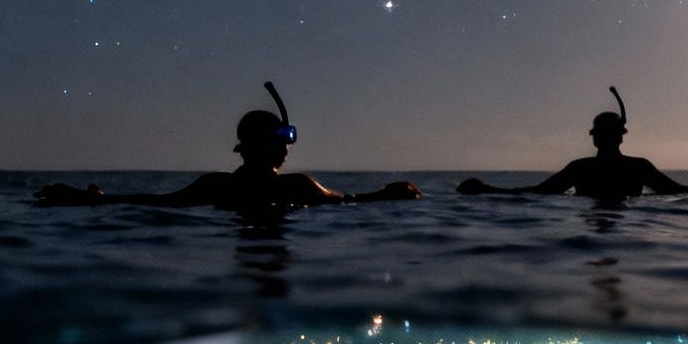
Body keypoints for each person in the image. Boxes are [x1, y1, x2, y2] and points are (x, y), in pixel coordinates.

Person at [34, 83, 420, 211]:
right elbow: (349, 201)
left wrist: (92, 199)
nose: (288, 147)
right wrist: (388, 194)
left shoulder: (215, 185)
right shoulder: (297, 186)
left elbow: (155, 201)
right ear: (258, 145)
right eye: (283, 138)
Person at [457, 88, 688, 201]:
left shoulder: (635, 166)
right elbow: (540, 192)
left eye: (605, 133)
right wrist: (488, 190)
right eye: (600, 134)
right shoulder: (583, 167)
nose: (601, 138)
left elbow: (674, 191)